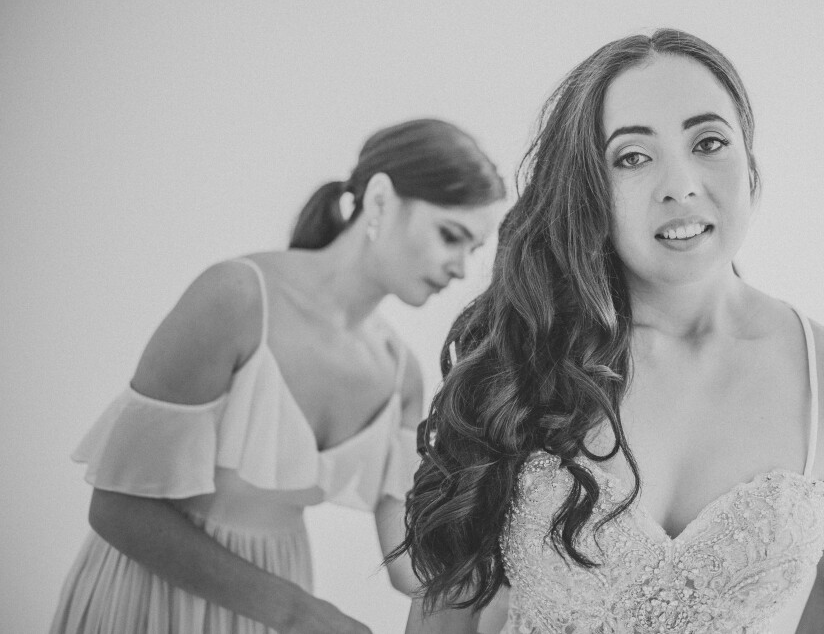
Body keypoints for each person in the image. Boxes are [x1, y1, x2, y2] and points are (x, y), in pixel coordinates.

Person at [396, 30, 824, 633]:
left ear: (749, 158)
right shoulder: (523, 353)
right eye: (632, 157)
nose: (681, 185)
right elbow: (450, 597)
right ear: (589, 188)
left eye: (709, 142)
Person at [50, 118, 505, 634]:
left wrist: (515, 573)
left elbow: (407, 564)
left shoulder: (401, 376)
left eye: (473, 249)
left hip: (276, 609)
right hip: (154, 598)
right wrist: (299, 612)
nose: (461, 269)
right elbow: (116, 508)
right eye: (451, 236)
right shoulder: (237, 297)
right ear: (380, 200)